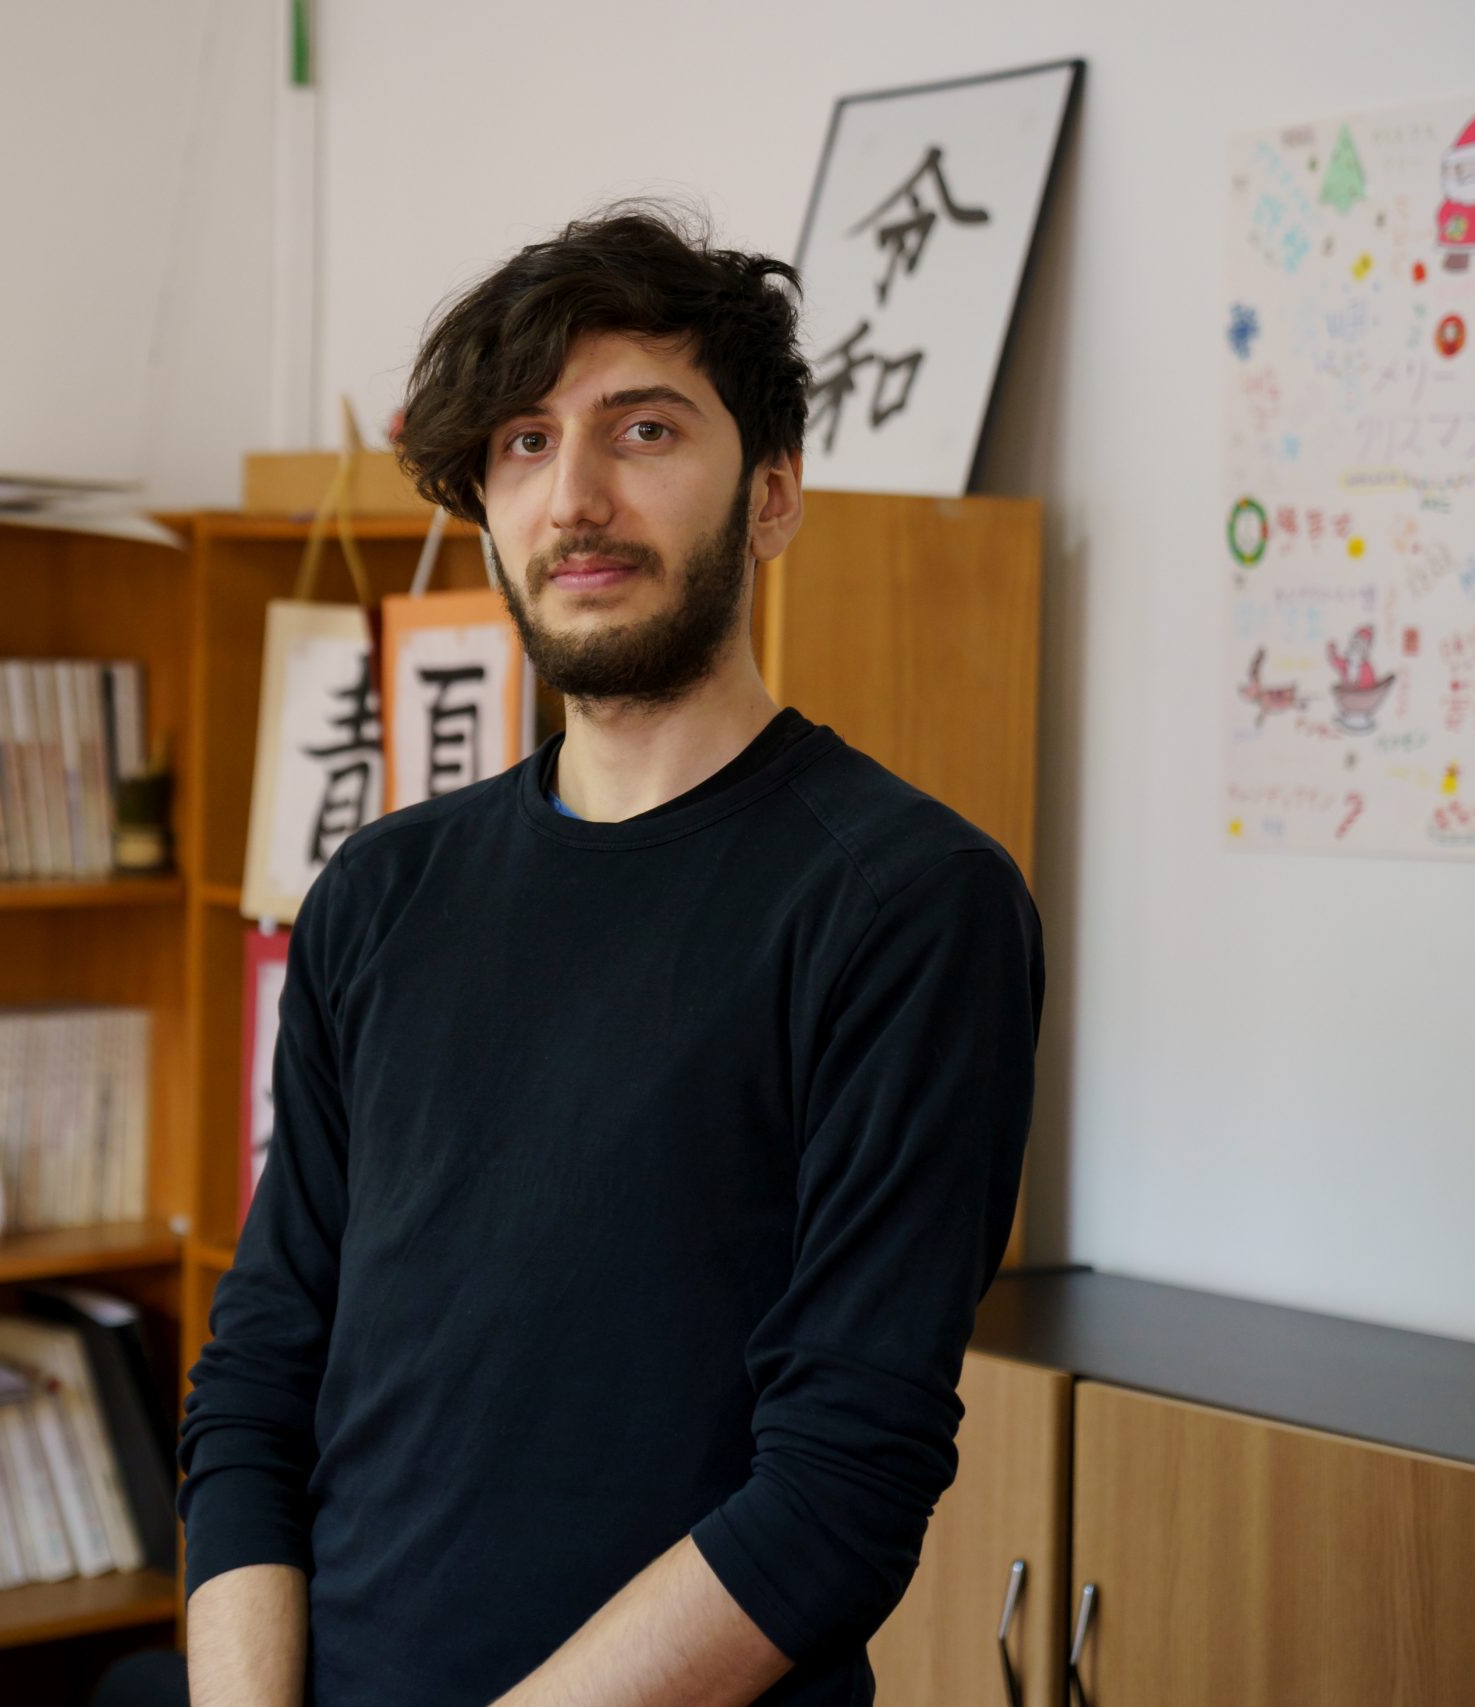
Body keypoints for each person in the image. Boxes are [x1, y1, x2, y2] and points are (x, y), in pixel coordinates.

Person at [177, 202, 1045, 1707]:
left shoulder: (907, 905)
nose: (574, 497)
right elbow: (258, 1383)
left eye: (643, 430)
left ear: (773, 494)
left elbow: (838, 1490)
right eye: (525, 442)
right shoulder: (379, 893)